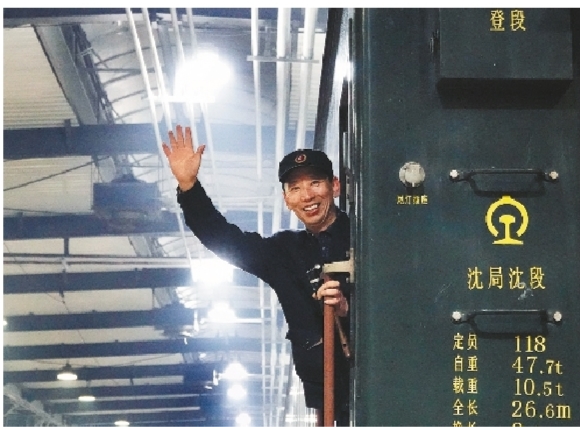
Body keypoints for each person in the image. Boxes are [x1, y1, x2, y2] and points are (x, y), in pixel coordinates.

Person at [162, 125, 351, 425]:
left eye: (315, 183)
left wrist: (347, 309)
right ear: (286, 199)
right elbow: (223, 238)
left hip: (381, 378)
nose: (307, 196)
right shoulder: (283, 253)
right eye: (295, 188)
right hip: (329, 400)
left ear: (335, 186)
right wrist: (189, 187)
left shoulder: (367, 237)